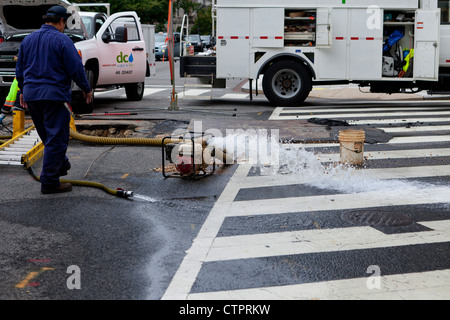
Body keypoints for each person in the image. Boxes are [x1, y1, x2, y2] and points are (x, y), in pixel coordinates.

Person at [16, 5, 93, 194]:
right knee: (57, 139)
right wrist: (86, 88)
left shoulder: (28, 40)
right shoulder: (63, 40)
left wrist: (22, 89)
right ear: (61, 21)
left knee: (48, 137)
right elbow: (75, 67)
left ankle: (59, 165)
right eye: (64, 22)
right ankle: (50, 182)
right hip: (54, 96)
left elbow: (20, 69)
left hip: (32, 96)